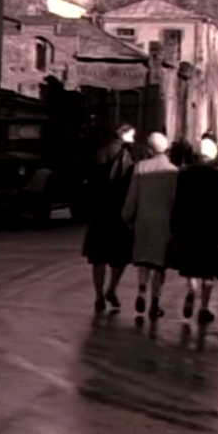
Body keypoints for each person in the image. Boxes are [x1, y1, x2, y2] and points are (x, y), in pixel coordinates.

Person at [170, 136, 218, 325]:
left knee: (190, 267)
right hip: (211, 230)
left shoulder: (184, 174)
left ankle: (191, 290)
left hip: (189, 228)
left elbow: (178, 202)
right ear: (212, 155)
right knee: (209, 271)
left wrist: (174, 226)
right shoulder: (217, 177)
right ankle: (204, 307)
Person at [122, 132, 178, 320]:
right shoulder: (173, 171)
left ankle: (141, 288)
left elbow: (132, 196)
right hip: (164, 223)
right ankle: (155, 302)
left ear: (150, 149)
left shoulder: (141, 168)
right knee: (159, 265)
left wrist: (126, 216)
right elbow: (175, 200)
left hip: (143, 221)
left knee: (144, 261)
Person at [82, 124, 137, 312]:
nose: (134, 139)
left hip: (99, 210)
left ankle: (98, 295)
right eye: (132, 135)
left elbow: (91, 182)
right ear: (125, 135)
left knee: (98, 257)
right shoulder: (128, 155)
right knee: (119, 256)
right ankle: (112, 289)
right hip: (119, 210)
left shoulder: (101, 153)